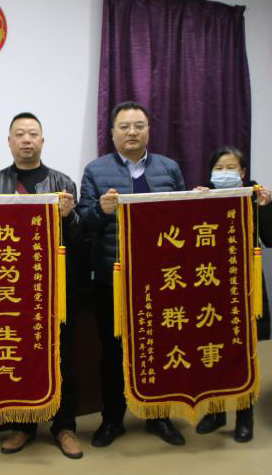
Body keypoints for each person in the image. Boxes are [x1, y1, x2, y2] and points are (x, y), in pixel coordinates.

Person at [78, 101, 187, 447]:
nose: (132, 132)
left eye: (139, 125)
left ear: (148, 131)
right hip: (112, 277)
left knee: (159, 346)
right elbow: (81, 223)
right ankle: (112, 419)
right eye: (124, 126)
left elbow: (183, 218)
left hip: (161, 277)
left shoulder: (169, 168)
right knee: (112, 351)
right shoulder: (95, 171)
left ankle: (159, 416)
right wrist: (100, 210)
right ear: (112, 133)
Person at [0, 112, 83, 459]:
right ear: (9, 142)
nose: (26, 139)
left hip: (52, 285)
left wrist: (69, 217)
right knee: (18, 353)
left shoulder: (63, 182)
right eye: (20, 134)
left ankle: (64, 426)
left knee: (61, 356)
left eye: (33, 134)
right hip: (11, 286)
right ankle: (21, 425)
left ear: (43, 141)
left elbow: (77, 239)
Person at [193, 145, 272, 442]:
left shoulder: (255, 197)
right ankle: (216, 412)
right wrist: (192, 204)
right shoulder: (203, 195)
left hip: (245, 287)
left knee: (244, 354)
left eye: (230, 168)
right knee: (212, 352)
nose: (224, 173)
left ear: (242, 172)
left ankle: (246, 416)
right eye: (218, 168)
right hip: (210, 285)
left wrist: (266, 207)